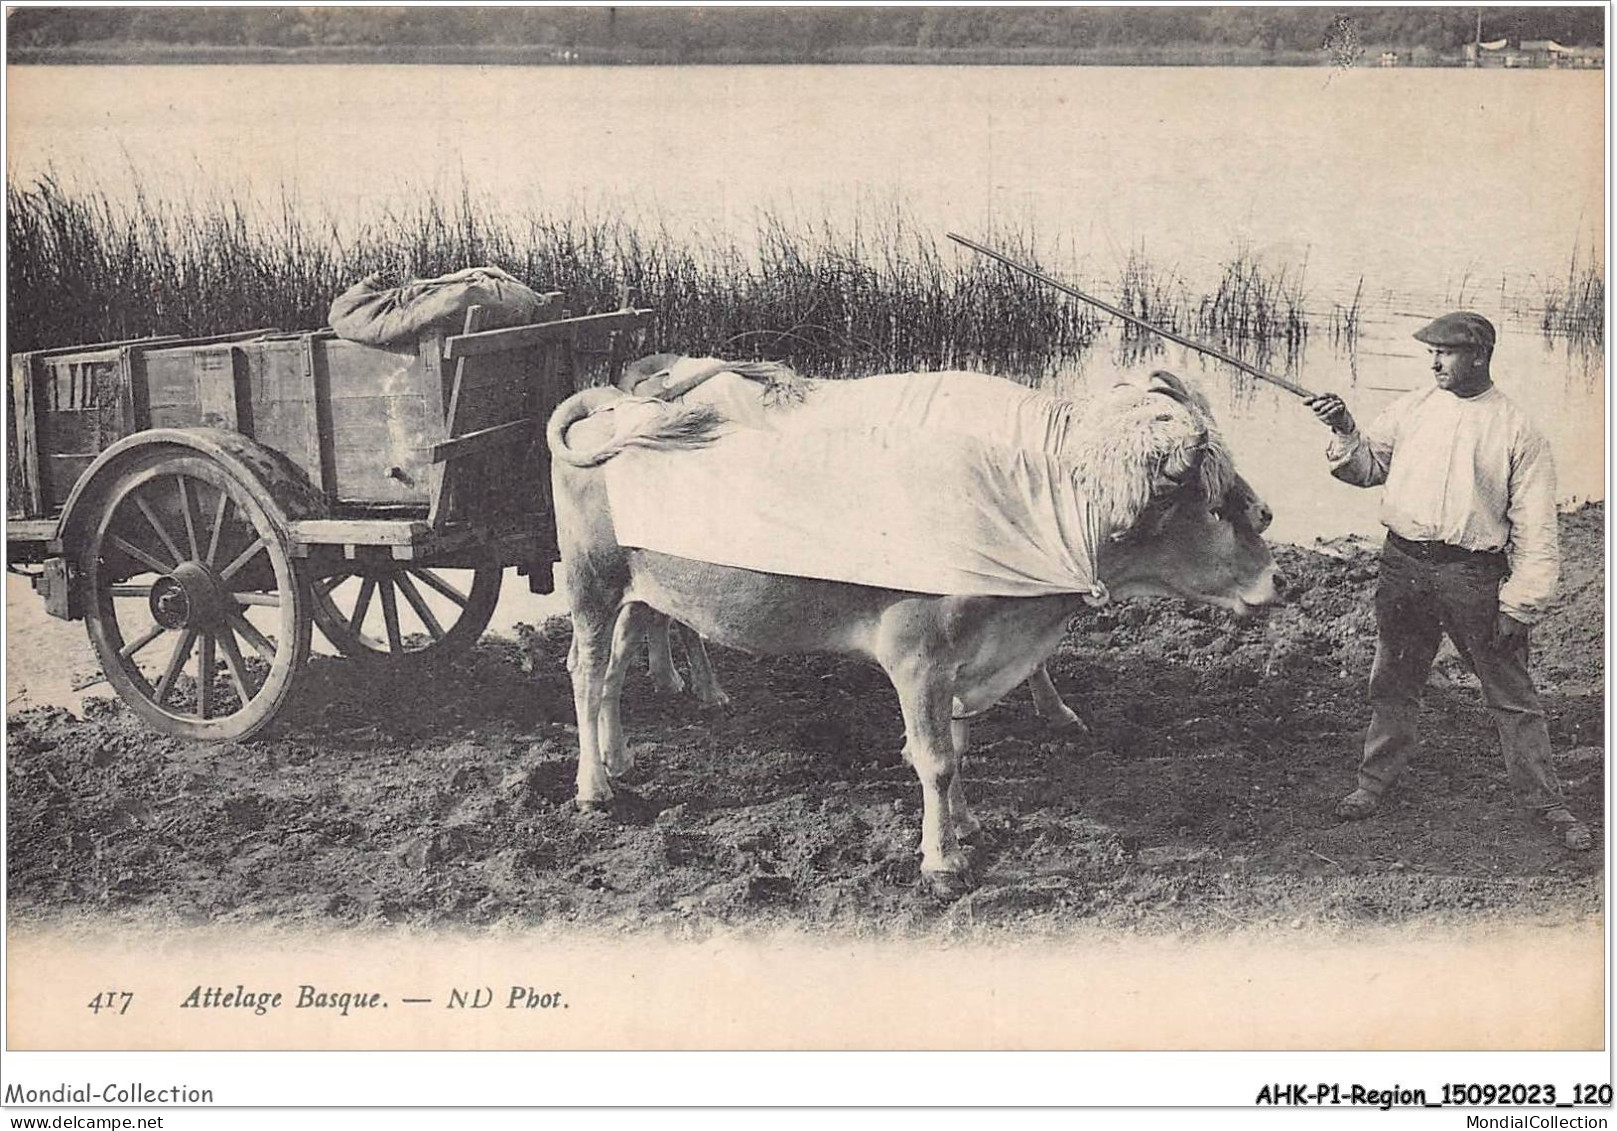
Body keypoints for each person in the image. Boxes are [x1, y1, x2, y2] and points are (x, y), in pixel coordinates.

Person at [1305, 311, 1591, 851]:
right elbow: (1366, 468)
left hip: (1473, 576)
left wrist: (1520, 604)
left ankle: (1544, 801)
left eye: (1447, 352)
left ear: (1480, 355)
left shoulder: (1516, 429)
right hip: (1403, 566)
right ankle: (1373, 783)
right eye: (1431, 352)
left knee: (1510, 692)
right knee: (1394, 678)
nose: (1435, 362)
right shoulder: (1412, 408)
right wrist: (1343, 427)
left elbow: (1536, 531)